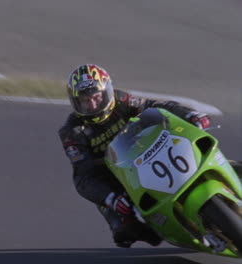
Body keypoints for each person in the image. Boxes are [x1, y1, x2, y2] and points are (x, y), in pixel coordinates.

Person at [58, 64, 241, 248]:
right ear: (75, 102)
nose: (92, 105)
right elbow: (83, 177)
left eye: (96, 97)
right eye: (84, 100)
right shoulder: (72, 132)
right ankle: (172, 230)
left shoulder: (122, 100)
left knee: (226, 163)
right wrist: (111, 198)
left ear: (107, 92)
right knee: (124, 231)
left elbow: (155, 106)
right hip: (118, 180)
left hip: (152, 151)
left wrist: (190, 115)